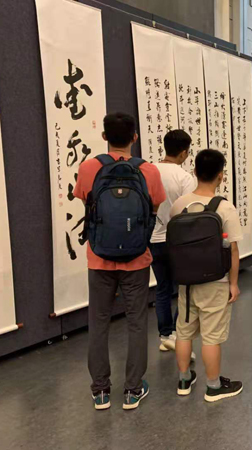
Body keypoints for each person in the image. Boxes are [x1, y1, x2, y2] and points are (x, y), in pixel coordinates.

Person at [74, 113, 166, 410]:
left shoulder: (89, 167)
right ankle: (132, 390)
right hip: (137, 259)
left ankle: (100, 391)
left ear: (104, 137)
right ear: (134, 137)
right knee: (137, 323)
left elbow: (85, 201)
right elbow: (154, 206)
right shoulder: (148, 170)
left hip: (99, 258)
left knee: (98, 322)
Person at [170, 149, 244, 402]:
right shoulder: (225, 208)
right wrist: (234, 283)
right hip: (215, 281)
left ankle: (183, 380)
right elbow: (233, 250)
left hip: (186, 281)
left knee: (183, 331)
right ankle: (213, 387)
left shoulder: (180, 204)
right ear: (221, 176)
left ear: (195, 172)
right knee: (211, 337)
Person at [150, 130, 197, 353]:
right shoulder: (185, 178)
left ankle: (164, 335)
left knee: (162, 288)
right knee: (184, 288)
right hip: (176, 241)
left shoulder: (149, 171)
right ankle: (178, 334)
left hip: (152, 239)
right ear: (184, 152)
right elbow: (187, 213)